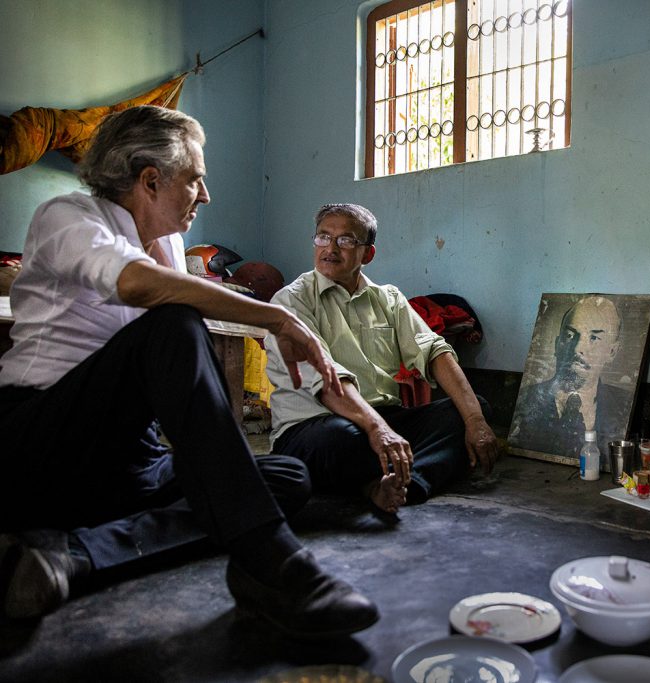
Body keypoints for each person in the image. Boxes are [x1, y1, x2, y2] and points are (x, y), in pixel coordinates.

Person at [0, 105, 379, 639]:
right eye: (195, 181)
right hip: (45, 443)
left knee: (285, 477)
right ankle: (266, 561)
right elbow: (138, 286)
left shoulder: (171, 246)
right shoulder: (69, 217)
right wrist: (277, 316)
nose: (205, 196)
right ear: (150, 181)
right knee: (174, 323)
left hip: (128, 461)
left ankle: (75, 556)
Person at [264, 203, 498, 514]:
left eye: (345, 241)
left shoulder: (388, 298)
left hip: (382, 418)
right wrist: (377, 430)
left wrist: (475, 422)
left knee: (470, 410)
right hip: (314, 426)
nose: (330, 248)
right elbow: (327, 379)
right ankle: (374, 483)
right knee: (342, 439)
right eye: (323, 237)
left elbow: (434, 352)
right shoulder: (291, 300)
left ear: (367, 254)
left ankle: (405, 484)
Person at [508, 295, 631, 466]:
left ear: (612, 352)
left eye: (594, 338)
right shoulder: (526, 399)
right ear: (557, 344)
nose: (579, 348)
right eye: (570, 335)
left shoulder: (625, 406)